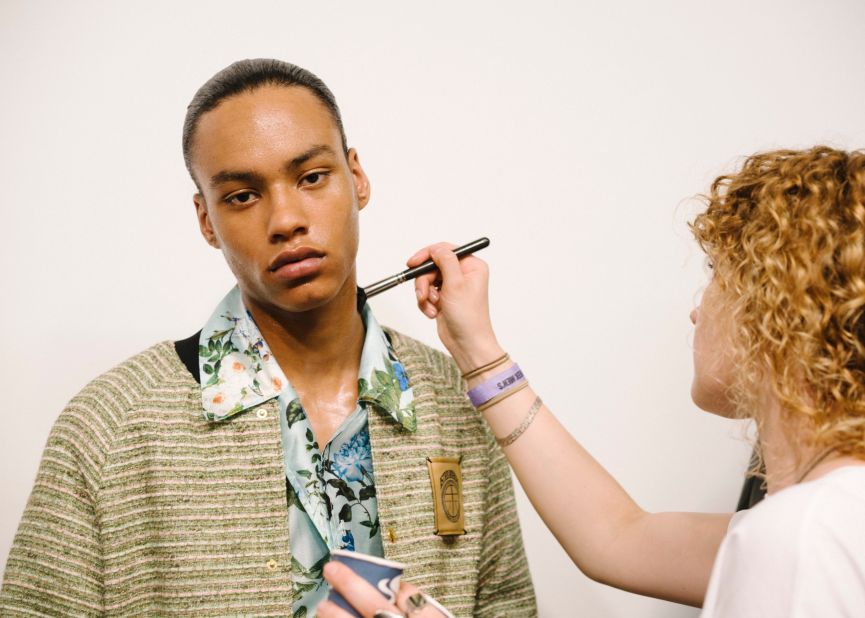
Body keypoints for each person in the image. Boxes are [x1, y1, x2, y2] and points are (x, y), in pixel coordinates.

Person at [0, 59, 536, 617]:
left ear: (357, 177)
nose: (285, 219)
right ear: (206, 219)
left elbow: (507, 605)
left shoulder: (456, 396)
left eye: (311, 177)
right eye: (242, 196)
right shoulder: (109, 427)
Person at [320, 146, 865, 617]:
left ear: (773, 309)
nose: (698, 311)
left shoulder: (806, 537)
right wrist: (476, 351)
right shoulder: (820, 523)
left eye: (717, 277)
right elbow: (618, 538)